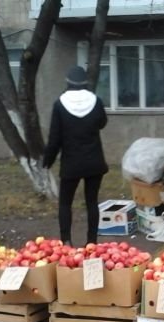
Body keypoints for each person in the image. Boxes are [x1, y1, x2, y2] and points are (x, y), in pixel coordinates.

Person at [43, 66, 109, 247]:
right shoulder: (96, 101)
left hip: (71, 163)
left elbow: (54, 138)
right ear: (85, 83)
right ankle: (91, 243)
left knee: (65, 203)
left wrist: (48, 160)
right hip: (94, 161)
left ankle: (66, 242)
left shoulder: (59, 104)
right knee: (92, 202)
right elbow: (102, 123)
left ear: (68, 83)